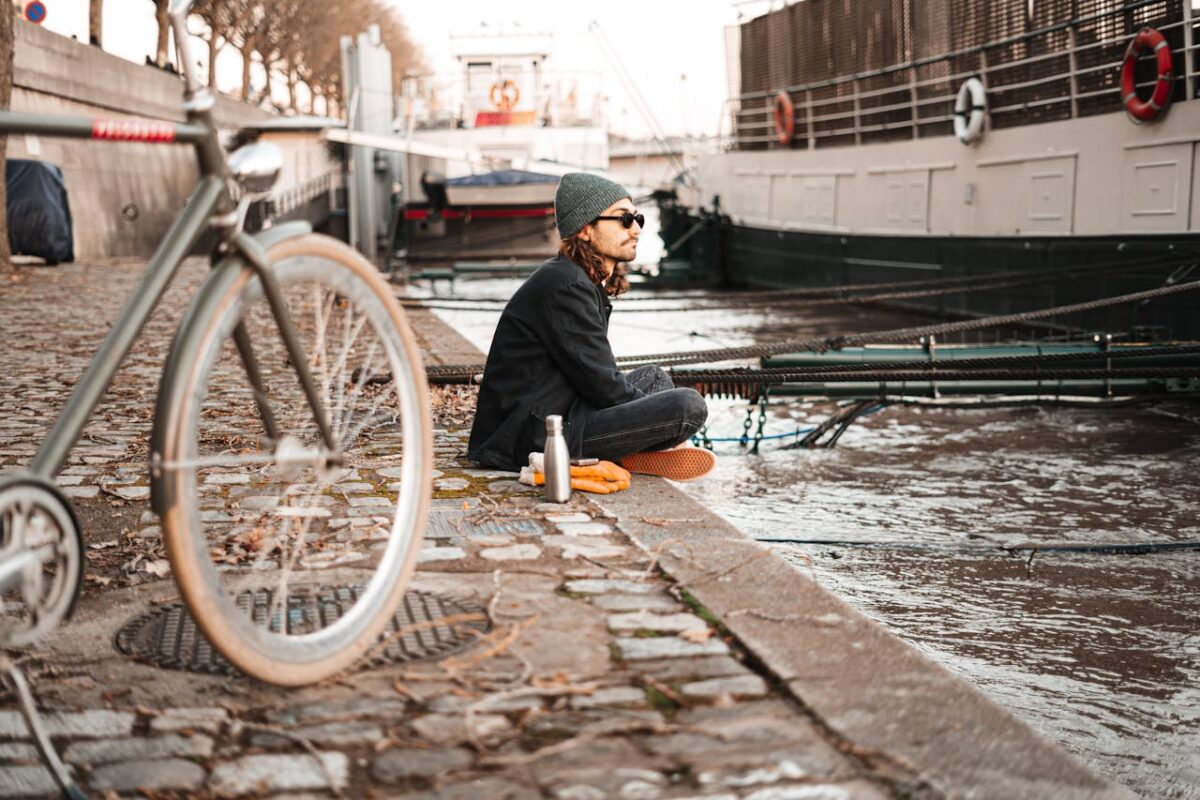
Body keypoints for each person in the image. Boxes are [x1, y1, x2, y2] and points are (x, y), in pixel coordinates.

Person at [468, 172, 715, 481]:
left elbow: (595, 380)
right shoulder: (566, 287)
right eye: (624, 219)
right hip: (530, 436)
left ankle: (632, 453)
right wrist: (655, 419)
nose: (636, 228)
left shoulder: (576, 279)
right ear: (585, 229)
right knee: (689, 405)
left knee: (654, 378)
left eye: (638, 218)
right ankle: (632, 452)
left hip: (558, 411)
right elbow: (604, 386)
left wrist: (647, 414)